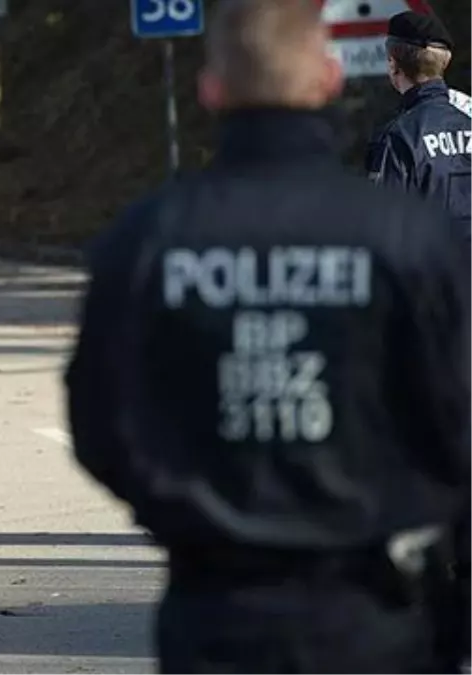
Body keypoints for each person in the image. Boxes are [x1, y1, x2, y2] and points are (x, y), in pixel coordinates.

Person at [66, 1, 472, 673]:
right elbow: (455, 420)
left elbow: (100, 420)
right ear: (331, 78)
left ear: (210, 88)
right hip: (369, 609)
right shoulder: (403, 236)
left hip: (216, 608)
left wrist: (186, 512)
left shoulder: (150, 238)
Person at [366, 11, 472, 234]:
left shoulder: (398, 136)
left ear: (393, 64)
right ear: (446, 61)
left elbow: (384, 227)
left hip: (430, 266)